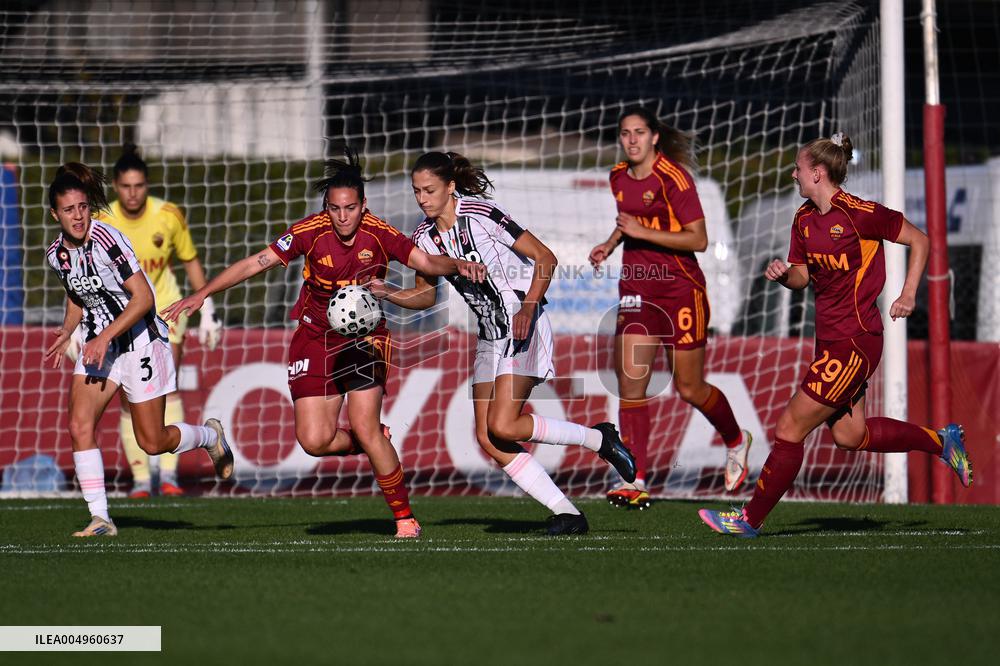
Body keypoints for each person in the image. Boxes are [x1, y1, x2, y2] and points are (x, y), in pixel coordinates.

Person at [162, 147, 486, 539]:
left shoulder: (380, 235)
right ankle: (371, 442)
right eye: (335, 208)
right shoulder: (309, 231)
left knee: (364, 426)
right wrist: (203, 294)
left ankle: (404, 518)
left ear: (363, 206)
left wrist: (457, 264)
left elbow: (426, 263)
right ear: (326, 208)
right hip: (315, 337)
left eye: (350, 208)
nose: (343, 216)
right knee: (314, 441)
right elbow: (255, 263)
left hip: (366, 338)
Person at [698, 133, 973, 538]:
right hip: (829, 341)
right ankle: (941, 441)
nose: (793, 174)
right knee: (850, 435)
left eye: (797, 168)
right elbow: (802, 276)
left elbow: (921, 240)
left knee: (790, 428)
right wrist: (782, 275)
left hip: (857, 340)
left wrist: (909, 293)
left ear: (817, 172)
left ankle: (748, 519)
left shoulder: (861, 214)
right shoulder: (803, 219)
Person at [369, 151, 637, 537]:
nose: (422, 198)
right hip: (489, 334)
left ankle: (599, 438)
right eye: (416, 191)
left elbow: (546, 258)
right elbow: (425, 297)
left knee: (504, 424)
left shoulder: (481, 212)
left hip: (521, 322)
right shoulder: (423, 237)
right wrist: (388, 292)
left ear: (450, 187)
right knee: (488, 438)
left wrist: (528, 306)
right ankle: (568, 513)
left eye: (429, 190)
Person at [43, 162, 234, 537]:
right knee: (79, 425)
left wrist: (100, 337)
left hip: (143, 341)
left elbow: (144, 298)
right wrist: (68, 331)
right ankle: (101, 518)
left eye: (82, 207)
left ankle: (211, 436)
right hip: (103, 347)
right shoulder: (57, 255)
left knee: (152, 441)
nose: (78, 216)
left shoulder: (108, 240)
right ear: (55, 214)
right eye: (69, 210)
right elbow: (76, 295)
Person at [589, 106, 751, 508]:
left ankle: (735, 438)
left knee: (689, 388)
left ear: (654, 137)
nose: (632, 140)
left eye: (639, 132)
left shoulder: (674, 178)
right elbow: (628, 219)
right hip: (635, 290)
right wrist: (610, 245)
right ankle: (635, 477)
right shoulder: (618, 176)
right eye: (625, 133)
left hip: (680, 290)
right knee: (630, 383)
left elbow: (698, 239)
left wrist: (643, 231)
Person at [71, 144, 221, 498]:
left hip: (165, 310)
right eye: (125, 186)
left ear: (147, 185)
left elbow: (190, 260)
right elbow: (82, 277)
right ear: (117, 188)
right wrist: (77, 327)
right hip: (119, 318)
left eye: (139, 185)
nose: (132, 193)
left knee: (166, 392)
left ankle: (169, 477)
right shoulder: (103, 222)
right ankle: (141, 478)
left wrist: (208, 311)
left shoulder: (168, 215)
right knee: (129, 399)